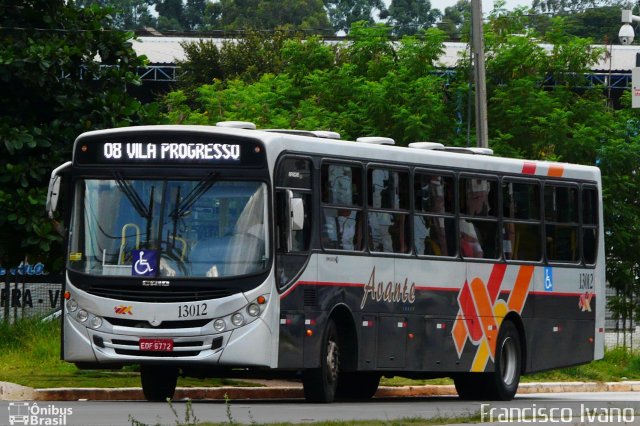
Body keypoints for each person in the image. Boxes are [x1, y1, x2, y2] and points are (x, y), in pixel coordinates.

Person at [460, 179, 490, 258]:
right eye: (473, 198)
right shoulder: (462, 221)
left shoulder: (490, 222)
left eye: (476, 198)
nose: (469, 202)